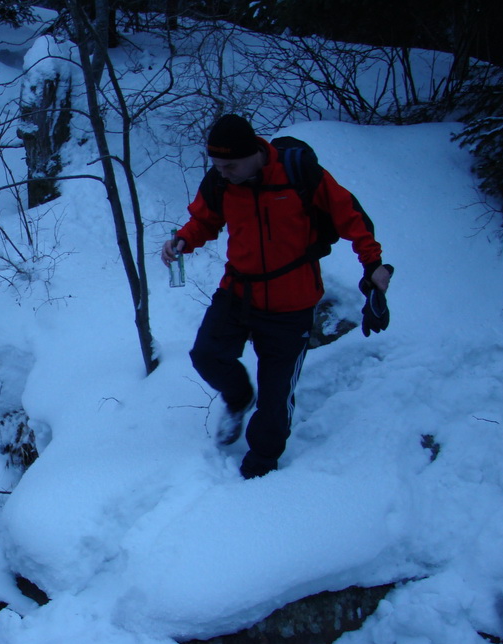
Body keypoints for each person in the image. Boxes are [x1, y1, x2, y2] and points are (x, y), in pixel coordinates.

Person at [162, 114, 392, 479]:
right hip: (238, 292)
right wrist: (184, 239)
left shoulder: (298, 173)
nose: (223, 172)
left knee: (276, 398)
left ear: (253, 151)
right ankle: (238, 398)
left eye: (230, 165)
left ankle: (263, 465)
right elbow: (205, 220)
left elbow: (351, 216)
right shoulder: (221, 182)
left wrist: (373, 263)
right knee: (207, 355)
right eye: (217, 166)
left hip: (292, 303)